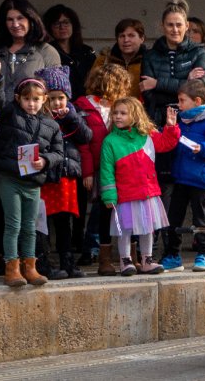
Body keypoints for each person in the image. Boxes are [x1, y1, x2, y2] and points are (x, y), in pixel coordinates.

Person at [0, 78, 64, 288]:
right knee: (13, 224)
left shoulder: (51, 125)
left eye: (36, 99)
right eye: (27, 99)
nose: (31, 103)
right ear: (18, 99)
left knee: (30, 226)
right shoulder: (10, 114)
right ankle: (11, 269)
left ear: (44, 100)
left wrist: (45, 161)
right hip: (11, 178)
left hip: (34, 182)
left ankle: (30, 267)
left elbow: (59, 152)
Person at [99, 97, 179, 275]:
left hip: (147, 192)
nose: (118, 116)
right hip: (125, 194)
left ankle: (147, 259)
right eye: (115, 113)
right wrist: (109, 195)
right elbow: (106, 171)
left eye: (123, 113)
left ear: (135, 115)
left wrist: (171, 127)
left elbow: (166, 143)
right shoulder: (110, 141)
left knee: (147, 228)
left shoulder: (147, 134)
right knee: (125, 229)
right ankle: (125, 260)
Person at [161, 79, 205, 273]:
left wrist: (203, 147)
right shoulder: (182, 121)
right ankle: (172, 255)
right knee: (174, 218)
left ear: (197, 101)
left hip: (200, 178)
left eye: (182, 101)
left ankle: (203, 255)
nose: (179, 105)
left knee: (201, 218)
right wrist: (170, 127)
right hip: (181, 176)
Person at [34, 66, 90, 279]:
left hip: (66, 176)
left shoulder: (72, 115)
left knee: (64, 221)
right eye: (52, 98)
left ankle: (68, 263)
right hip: (45, 176)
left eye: (61, 98)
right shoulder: (38, 117)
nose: (57, 103)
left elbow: (86, 136)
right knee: (42, 222)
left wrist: (71, 118)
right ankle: (43, 262)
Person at [75, 64, 130, 275]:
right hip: (98, 168)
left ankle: (124, 254)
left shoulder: (121, 107)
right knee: (101, 207)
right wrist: (87, 172)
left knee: (114, 208)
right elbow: (84, 143)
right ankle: (92, 248)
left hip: (121, 168)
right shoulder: (84, 106)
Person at [141, 0, 205, 129]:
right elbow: (149, 96)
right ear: (162, 26)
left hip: (192, 120)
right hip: (159, 120)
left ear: (187, 26)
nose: (175, 29)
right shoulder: (150, 55)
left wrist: (157, 83)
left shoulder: (198, 52)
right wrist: (186, 82)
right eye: (170, 25)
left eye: (179, 25)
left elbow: (199, 88)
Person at [0, 0, 62, 109]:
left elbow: (56, 94)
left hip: (33, 122)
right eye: (10, 20)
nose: (15, 24)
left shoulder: (46, 51)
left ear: (31, 19)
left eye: (20, 18)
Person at [43, 5, 96, 103]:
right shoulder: (46, 53)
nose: (62, 27)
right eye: (56, 24)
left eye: (66, 22)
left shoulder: (86, 51)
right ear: (49, 28)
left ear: (73, 25)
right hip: (60, 105)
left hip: (87, 104)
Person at [90, 18, 147, 98]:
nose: (126, 40)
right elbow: (90, 90)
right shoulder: (104, 61)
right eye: (122, 36)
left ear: (142, 38)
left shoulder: (150, 62)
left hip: (140, 109)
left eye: (131, 35)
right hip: (109, 109)